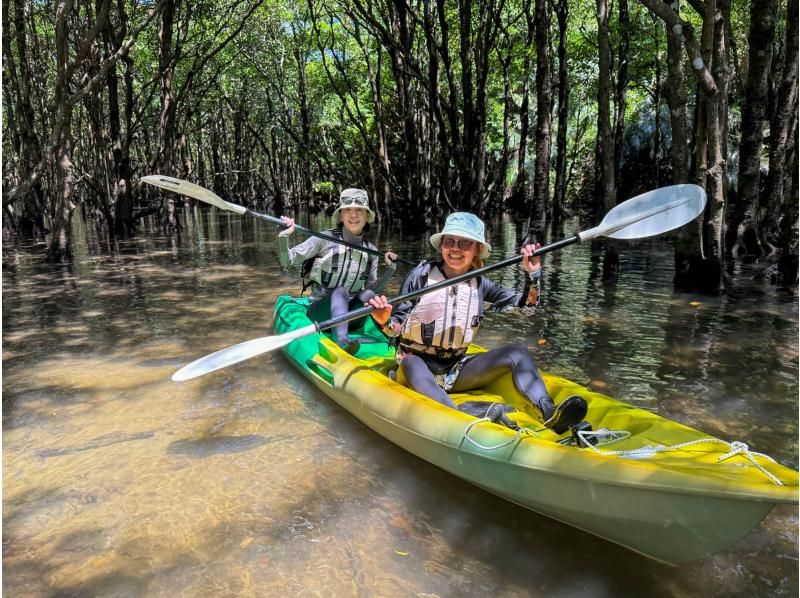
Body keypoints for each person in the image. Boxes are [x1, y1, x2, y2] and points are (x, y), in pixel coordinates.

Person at [366, 212, 587, 434]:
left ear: (477, 250)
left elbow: (526, 308)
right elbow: (395, 329)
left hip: (455, 370)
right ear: (441, 245)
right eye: (449, 241)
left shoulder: (480, 283)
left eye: (465, 243)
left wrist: (533, 274)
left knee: (517, 351)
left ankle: (549, 413)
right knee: (411, 363)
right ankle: (459, 415)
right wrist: (385, 322)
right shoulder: (420, 276)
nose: (455, 249)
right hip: (415, 368)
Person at [278, 188, 397, 355]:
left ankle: (367, 334)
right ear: (341, 215)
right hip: (321, 314)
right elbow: (287, 260)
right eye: (348, 210)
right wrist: (284, 236)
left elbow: (374, 292)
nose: (353, 215)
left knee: (368, 294)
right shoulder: (323, 240)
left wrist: (391, 269)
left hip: (352, 318)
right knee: (340, 291)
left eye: (359, 210)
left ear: (367, 216)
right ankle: (342, 342)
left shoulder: (371, 251)